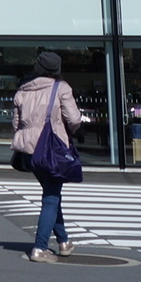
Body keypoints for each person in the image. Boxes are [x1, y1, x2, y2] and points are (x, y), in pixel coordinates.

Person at [13, 50, 85, 262]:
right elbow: (73, 118)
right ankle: (40, 247)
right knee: (51, 197)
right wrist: (77, 130)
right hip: (52, 148)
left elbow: (16, 124)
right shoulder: (61, 88)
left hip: (28, 150)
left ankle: (63, 241)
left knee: (52, 194)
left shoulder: (22, 90)